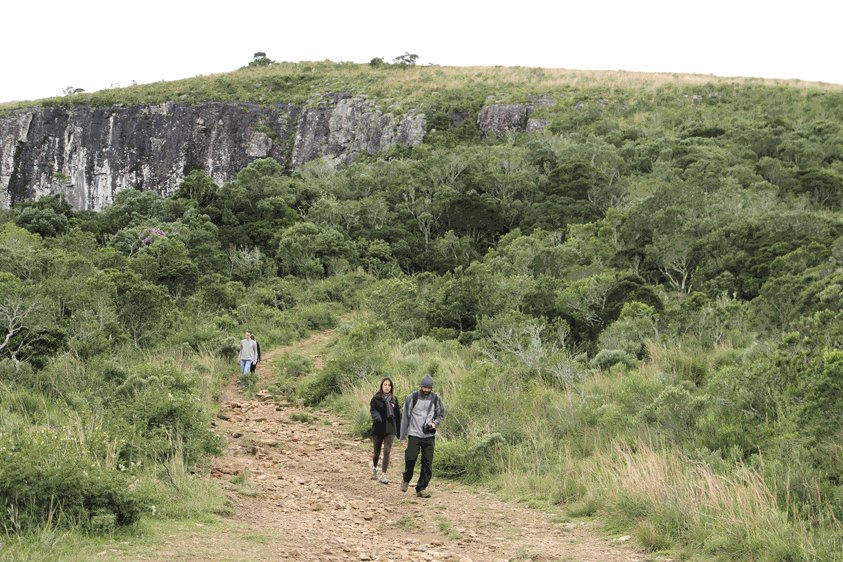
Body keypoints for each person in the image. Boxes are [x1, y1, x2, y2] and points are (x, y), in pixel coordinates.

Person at [399, 375, 445, 498]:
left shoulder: (436, 398)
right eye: (424, 387)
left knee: (427, 463)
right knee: (410, 459)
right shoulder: (412, 397)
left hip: (429, 435)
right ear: (421, 386)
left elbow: (440, 414)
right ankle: (406, 479)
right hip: (414, 434)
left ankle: (421, 488)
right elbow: (405, 418)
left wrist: (434, 423)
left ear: (432, 388)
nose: (426, 390)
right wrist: (402, 436)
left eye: (429, 388)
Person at [369, 377, 401, 484]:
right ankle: (374, 468)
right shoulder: (376, 398)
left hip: (390, 428)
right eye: (385, 385)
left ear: (391, 387)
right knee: (376, 452)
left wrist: (399, 431)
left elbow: (397, 415)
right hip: (378, 427)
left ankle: (383, 475)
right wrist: (377, 417)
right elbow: (373, 410)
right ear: (382, 386)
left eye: (389, 385)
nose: (387, 387)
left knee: (387, 451)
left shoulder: (394, 399)